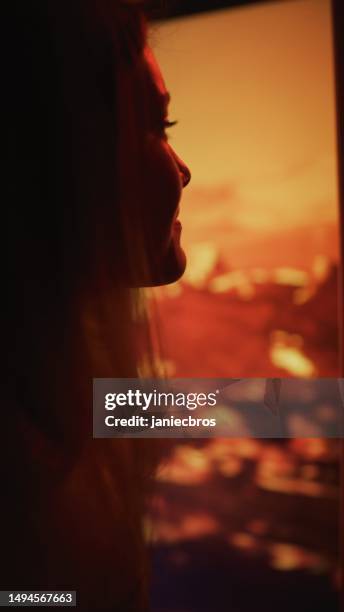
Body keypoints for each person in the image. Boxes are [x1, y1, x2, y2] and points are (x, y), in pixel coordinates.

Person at [3, 1, 191, 610]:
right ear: (62, 161)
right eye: (158, 128)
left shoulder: (49, 388)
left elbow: (158, 410)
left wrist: (324, 407)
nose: (182, 170)